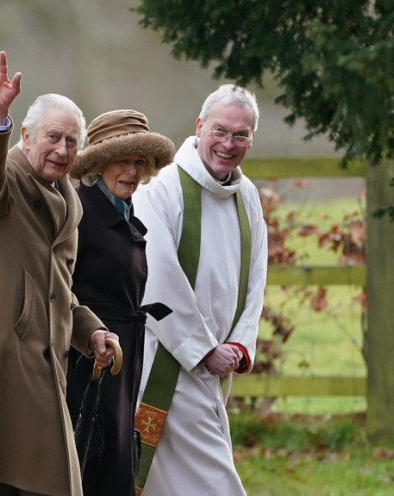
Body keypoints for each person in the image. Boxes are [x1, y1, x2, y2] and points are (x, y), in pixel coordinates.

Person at [0, 51, 119, 496]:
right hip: (5, 366)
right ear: (26, 136)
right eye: (53, 137)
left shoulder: (67, 198)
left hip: (48, 363)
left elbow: (57, 288)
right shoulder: (5, 183)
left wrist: (89, 331)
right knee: (2, 480)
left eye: (72, 141)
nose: (62, 149)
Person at [131, 84, 268, 496]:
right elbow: (154, 275)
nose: (228, 144)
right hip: (166, 363)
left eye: (241, 135)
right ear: (199, 126)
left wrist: (240, 345)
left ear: (251, 139)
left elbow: (256, 278)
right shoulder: (162, 187)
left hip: (214, 370)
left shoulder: (247, 197)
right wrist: (204, 349)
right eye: (220, 131)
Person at [64, 109, 175, 496]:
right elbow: (61, 285)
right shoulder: (80, 212)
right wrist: (92, 335)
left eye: (138, 161)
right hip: (89, 358)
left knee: (115, 460)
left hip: (124, 354)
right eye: (121, 161)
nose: (131, 171)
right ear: (98, 164)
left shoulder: (126, 212)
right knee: (92, 460)